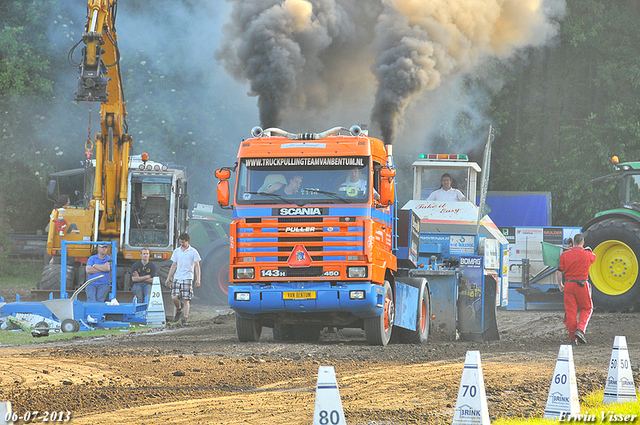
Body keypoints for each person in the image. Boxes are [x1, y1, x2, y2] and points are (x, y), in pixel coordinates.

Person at [557, 233, 596, 345]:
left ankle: (572, 338)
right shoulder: (587, 254)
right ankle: (580, 330)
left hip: (569, 284)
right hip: (582, 285)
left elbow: (559, 272)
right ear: (583, 243)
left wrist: (560, 285)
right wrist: (588, 250)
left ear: (573, 243)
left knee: (571, 311)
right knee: (587, 308)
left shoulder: (564, 255)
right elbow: (594, 257)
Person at [164, 232, 201, 326]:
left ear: (187, 241)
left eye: (183, 242)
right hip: (177, 277)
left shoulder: (193, 251)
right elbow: (174, 265)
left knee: (186, 299)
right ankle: (179, 309)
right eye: (180, 242)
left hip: (188, 277)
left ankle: (185, 318)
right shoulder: (177, 251)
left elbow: (197, 265)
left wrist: (198, 279)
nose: (182, 244)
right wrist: (169, 277)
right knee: (174, 297)